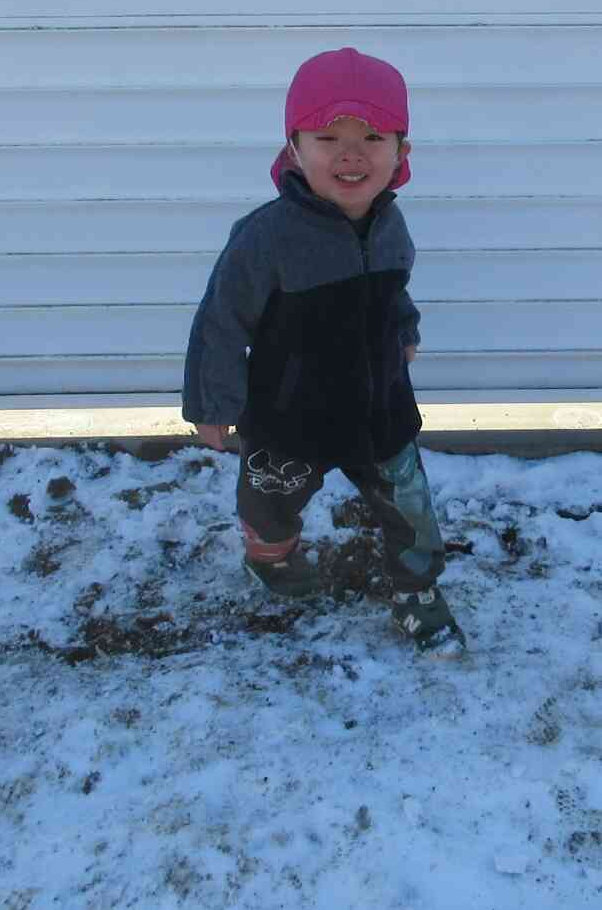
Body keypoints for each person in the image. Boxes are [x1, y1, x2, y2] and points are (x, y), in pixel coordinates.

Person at [181, 47, 464, 656]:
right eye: (327, 135)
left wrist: (406, 331)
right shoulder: (266, 237)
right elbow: (221, 322)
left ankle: (417, 589)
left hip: (379, 406)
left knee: (409, 501)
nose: (351, 153)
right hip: (290, 417)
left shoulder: (392, 226)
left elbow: (391, 289)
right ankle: (271, 555)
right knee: (270, 501)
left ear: (401, 152)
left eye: (372, 136)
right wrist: (213, 401)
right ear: (293, 146)